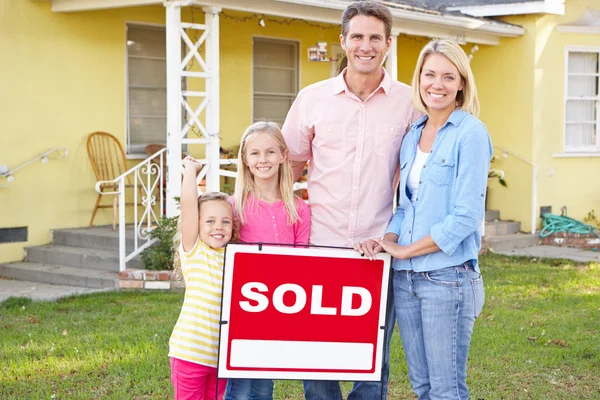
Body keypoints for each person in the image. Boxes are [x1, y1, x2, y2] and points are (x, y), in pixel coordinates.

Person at [282, 1, 419, 398]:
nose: (366, 45)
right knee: (318, 354)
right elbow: (289, 166)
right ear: (343, 41)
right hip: (318, 245)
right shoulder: (312, 98)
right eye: (357, 36)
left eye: (375, 37)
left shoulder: (409, 103)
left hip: (377, 248)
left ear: (388, 43)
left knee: (372, 357)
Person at [358, 38, 491, 400]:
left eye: (449, 77)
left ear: (462, 83)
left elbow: (464, 217)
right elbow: (405, 208)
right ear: (419, 80)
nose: (438, 84)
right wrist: (387, 240)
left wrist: (407, 251)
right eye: (430, 74)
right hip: (406, 281)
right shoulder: (413, 135)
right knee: (423, 387)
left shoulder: (471, 134)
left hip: (447, 279)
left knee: (446, 390)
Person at [224, 121, 310, 400]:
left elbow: (302, 264)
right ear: (245, 161)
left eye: (271, 152)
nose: (263, 160)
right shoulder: (234, 206)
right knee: (239, 387)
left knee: (263, 386)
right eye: (255, 153)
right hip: (242, 309)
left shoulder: (298, 209)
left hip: (277, 308)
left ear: (284, 156)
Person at [169, 156, 239, 400]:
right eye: (209, 221)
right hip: (190, 354)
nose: (218, 227)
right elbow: (188, 205)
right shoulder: (195, 250)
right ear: (197, 224)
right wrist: (191, 170)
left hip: (220, 360)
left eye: (225, 222)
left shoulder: (235, 257)